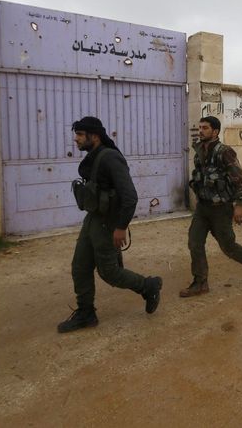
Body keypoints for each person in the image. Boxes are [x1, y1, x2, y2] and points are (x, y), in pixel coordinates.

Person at [57, 117, 162, 333]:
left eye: (80, 135)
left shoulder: (110, 158)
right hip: (93, 218)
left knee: (109, 272)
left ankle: (148, 286)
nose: (75, 139)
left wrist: (121, 227)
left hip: (107, 222)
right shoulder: (95, 157)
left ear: (94, 136)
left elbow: (130, 196)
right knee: (80, 267)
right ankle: (86, 313)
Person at [181, 116, 242, 297]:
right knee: (194, 243)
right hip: (203, 208)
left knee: (228, 247)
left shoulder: (224, 152)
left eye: (205, 128)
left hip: (221, 209)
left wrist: (239, 205)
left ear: (215, 132)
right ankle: (200, 282)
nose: (200, 130)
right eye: (200, 127)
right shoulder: (199, 151)